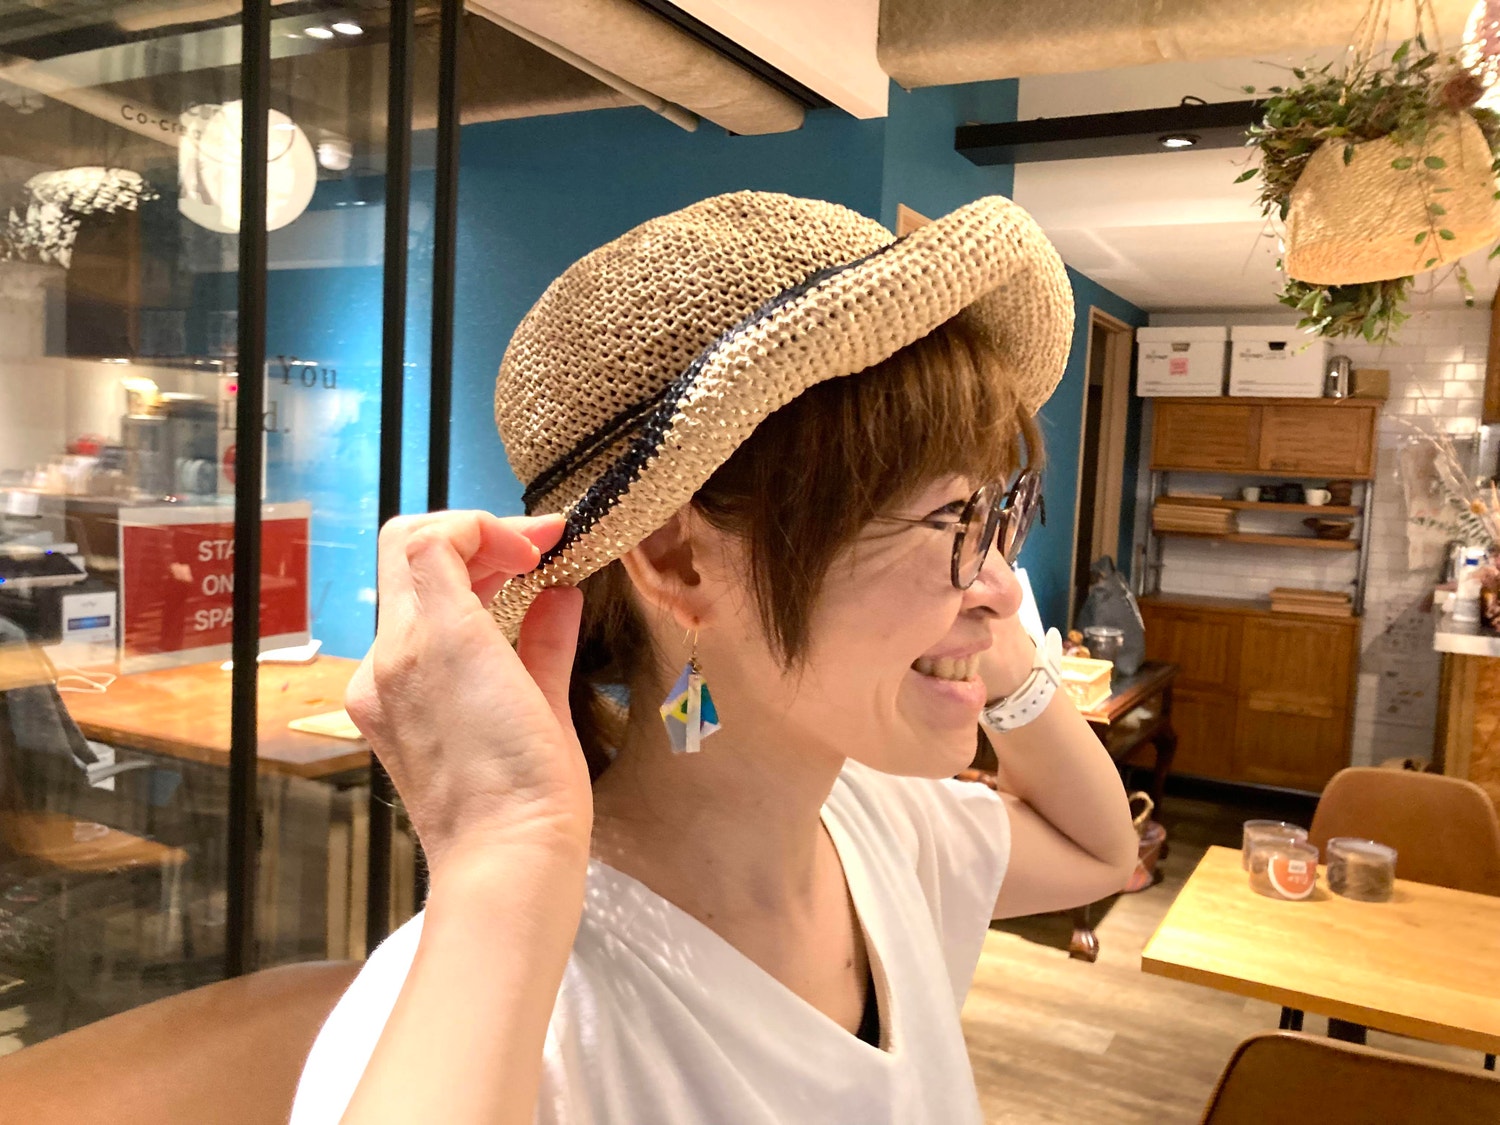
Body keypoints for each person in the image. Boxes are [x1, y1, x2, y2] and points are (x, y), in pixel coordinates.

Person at [290, 191, 1137, 1125]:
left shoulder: (877, 823)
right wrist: (504, 859)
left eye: (998, 512)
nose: (1007, 588)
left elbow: (1103, 852)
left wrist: (981, 624)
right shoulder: (499, 1007)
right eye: (948, 516)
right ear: (680, 560)